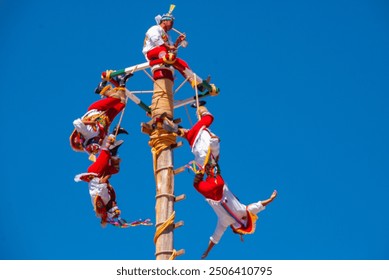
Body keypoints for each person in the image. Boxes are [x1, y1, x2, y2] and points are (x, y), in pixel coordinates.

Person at [193, 168, 278, 259]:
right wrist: (207, 252)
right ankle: (204, 172)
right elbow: (215, 238)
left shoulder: (242, 212)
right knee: (198, 183)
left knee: (211, 174)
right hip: (210, 193)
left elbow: (258, 206)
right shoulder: (226, 222)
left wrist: (270, 199)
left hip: (218, 187)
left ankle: (208, 168)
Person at [142, 9, 213, 92]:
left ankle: (195, 83)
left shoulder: (167, 36)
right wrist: (169, 47)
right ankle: (167, 63)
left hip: (164, 54)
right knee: (163, 51)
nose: (172, 25)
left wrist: (177, 42)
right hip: (152, 53)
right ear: (164, 21)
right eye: (171, 22)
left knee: (181, 63)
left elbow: (171, 50)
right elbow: (155, 39)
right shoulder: (155, 28)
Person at [70, 74, 132, 156]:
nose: (98, 141)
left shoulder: (86, 134)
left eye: (96, 142)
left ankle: (101, 89)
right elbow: (109, 144)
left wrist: (91, 123)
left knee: (116, 99)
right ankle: (120, 81)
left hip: (96, 110)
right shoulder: (101, 143)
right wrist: (115, 132)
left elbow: (76, 123)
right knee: (121, 104)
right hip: (106, 118)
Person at [74, 136, 127, 227]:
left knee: (104, 158)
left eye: (114, 205)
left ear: (110, 207)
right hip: (98, 175)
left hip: (95, 173)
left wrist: (107, 176)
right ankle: (113, 152)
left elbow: (102, 182)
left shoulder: (105, 200)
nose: (115, 203)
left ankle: (108, 144)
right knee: (114, 169)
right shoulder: (109, 199)